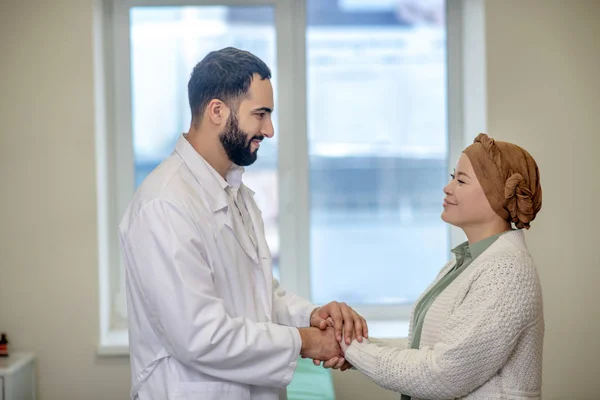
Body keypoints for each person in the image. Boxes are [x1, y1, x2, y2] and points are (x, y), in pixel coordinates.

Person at [118, 47, 367, 400]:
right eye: (260, 114)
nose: (269, 129)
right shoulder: (165, 204)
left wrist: (312, 317)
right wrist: (306, 342)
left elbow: (260, 296)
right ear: (217, 111)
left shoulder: (234, 192)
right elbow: (201, 336)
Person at [336, 133, 544, 399]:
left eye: (461, 180)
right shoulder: (464, 264)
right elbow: (426, 349)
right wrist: (353, 349)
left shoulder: (507, 271)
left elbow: (443, 375)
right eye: (451, 177)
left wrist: (351, 349)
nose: (448, 188)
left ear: (497, 194)